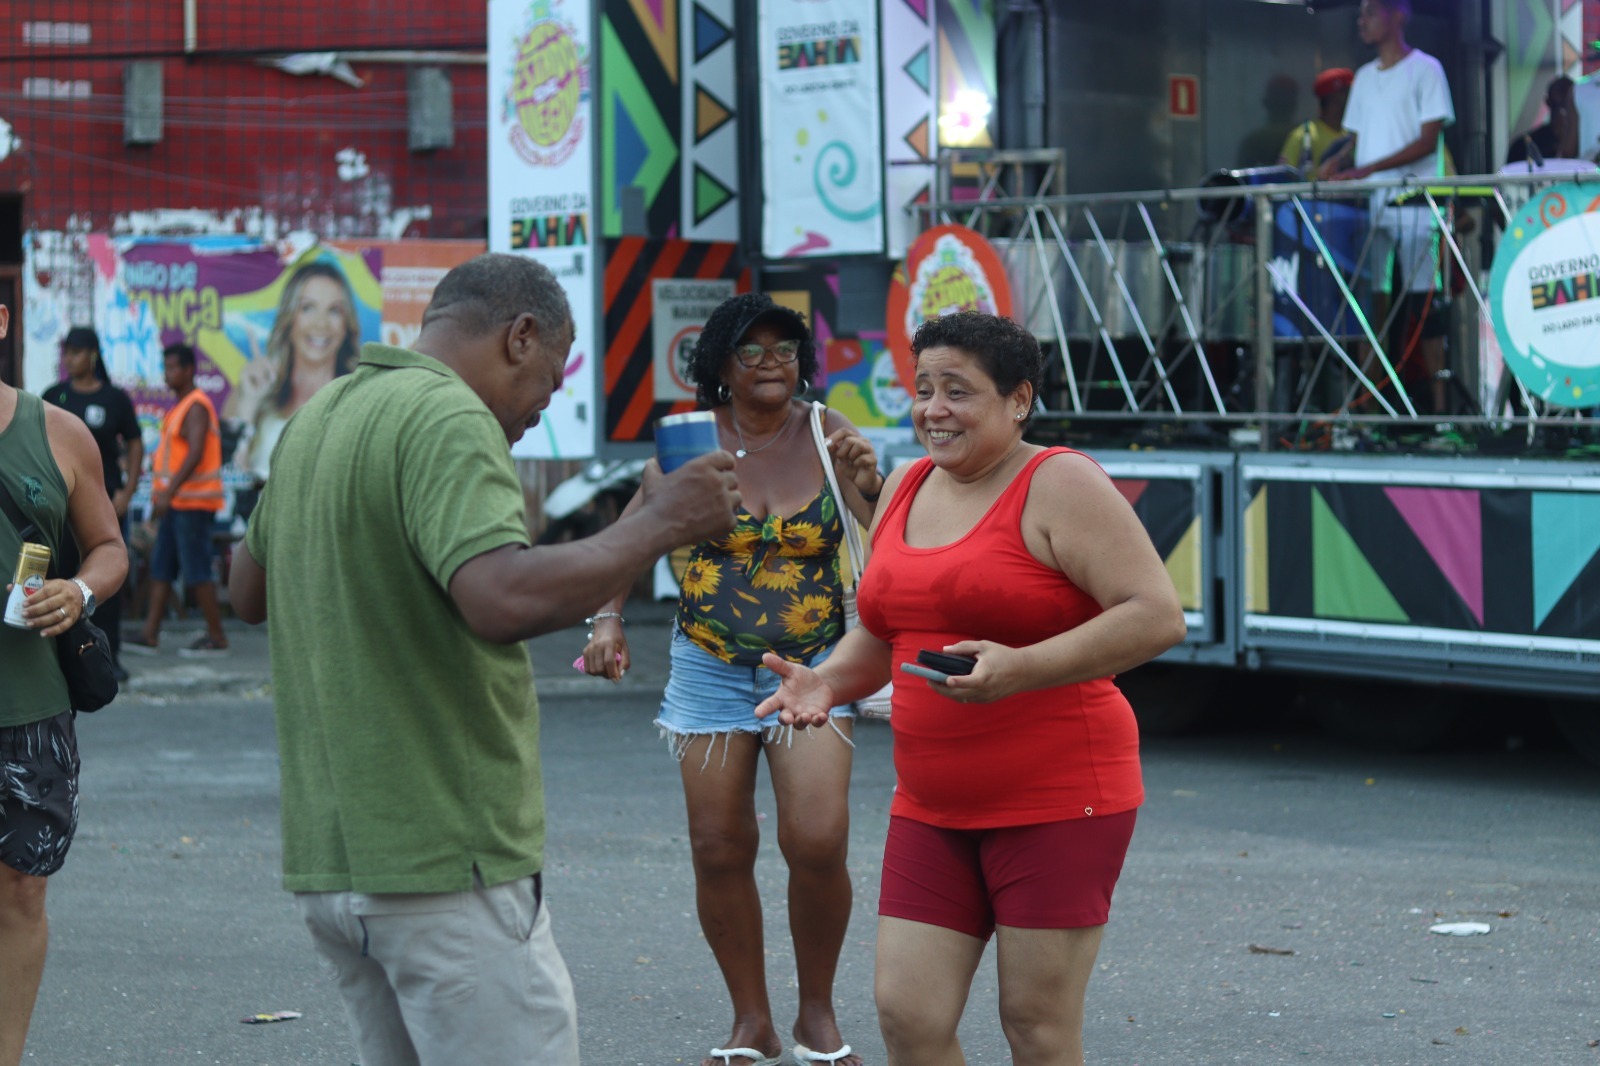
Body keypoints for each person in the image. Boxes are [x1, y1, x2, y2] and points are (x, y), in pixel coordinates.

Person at [226, 252, 740, 1066]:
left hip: (335, 869)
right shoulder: (448, 414)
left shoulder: (320, 416)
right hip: (444, 863)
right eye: (554, 372)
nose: (548, 399)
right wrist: (659, 526)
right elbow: (500, 598)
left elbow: (245, 589)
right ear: (520, 336)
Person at [754, 312, 1186, 1066]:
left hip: (1059, 798)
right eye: (923, 390)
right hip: (932, 805)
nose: (933, 409)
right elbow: (891, 635)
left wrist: (1022, 668)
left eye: (958, 391)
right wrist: (825, 678)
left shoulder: (1059, 482)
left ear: (1018, 400)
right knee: (908, 1018)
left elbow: (1156, 616)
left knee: (1036, 1026)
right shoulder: (906, 486)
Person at [580, 293, 882, 1066]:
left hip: (813, 667)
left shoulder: (829, 431)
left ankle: (818, 1012)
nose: (773, 361)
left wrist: (872, 489)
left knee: (816, 840)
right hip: (708, 666)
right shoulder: (690, 442)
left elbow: (883, 535)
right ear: (718, 365)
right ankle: (752, 1021)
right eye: (752, 351)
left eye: (785, 348)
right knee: (719, 847)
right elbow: (631, 538)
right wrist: (606, 619)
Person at [0, 301, 128, 1066]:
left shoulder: (58, 433)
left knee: (22, 889)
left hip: (30, 706)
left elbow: (109, 547)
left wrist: (79, 592)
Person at [1329, 0, 1457, 415]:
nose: (1361, 20)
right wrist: (1339, 161)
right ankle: (1372, 408)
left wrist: (1364, 168)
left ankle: (1438, 411)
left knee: (1424, 306)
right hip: (1373, 208)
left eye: (1369, 12)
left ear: (1397, 15)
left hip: (1417, 207)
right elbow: (1358, 138)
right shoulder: (1364, 78)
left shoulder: (1427, 69)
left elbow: (1427, 140)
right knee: (1372, 309)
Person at [42, 326, 143, 680]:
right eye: (66, 352)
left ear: (92, 355)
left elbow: (134, 442)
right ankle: (66, 656)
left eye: (76, 352)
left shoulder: (114, 398)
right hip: (62, 508)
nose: (70, 359)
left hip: (105, 504)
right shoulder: (54, 396)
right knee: (64, 577)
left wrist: (127, 491)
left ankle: (109, 657)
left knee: (105, 579)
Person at [126, 342, 228, 656]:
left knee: (195, 568)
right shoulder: (181, 406)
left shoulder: (196, 405)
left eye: (173, 368)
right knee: (162, 567)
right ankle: (150, 634)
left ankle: (217, 638)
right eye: (166, 368)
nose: (167, 374)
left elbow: (196, 452)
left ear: (188, 370)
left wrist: (168, 492)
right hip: (177, 504)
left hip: (191, 504)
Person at [224, 260, 362, 483]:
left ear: (346, 324)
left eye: (334, 310)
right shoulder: (249, 393)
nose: (321, 323)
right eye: (307, 307)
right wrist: (249, 407)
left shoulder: (359, 398)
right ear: (290, 318)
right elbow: (231, 480)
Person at [1278, 68, 1354, 172]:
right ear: (1333, 99)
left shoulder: (1351, 135)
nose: (1354, 99)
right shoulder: (1304, 136)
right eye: (1347, 93)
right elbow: (1284, 177)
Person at [1506, 76, 1578, 165]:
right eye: (1561, 94)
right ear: (1548, 101)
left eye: (1570, 98)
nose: (1565, 101)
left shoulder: (1585, 143)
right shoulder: (1523, 146)